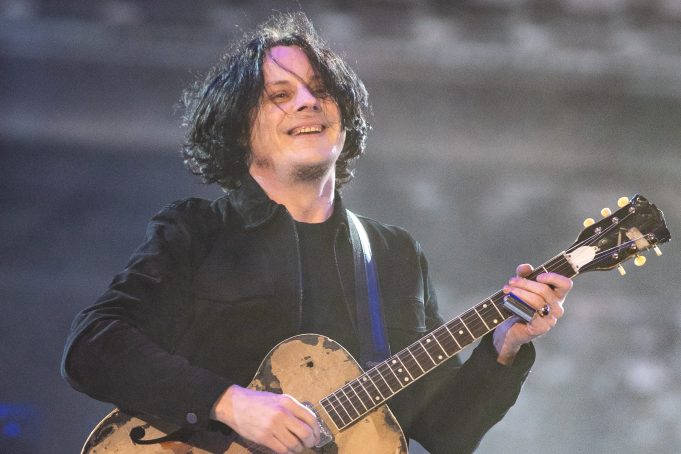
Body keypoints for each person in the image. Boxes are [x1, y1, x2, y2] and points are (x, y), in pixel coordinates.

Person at [61, 12, 573, 454]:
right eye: (280, 95)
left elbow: (445, 431)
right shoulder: (196, 230)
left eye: (321, 90)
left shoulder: (392, 255)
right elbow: (92, 347)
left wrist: (504, 346)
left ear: (344, 118)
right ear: (241, 129)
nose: (308, 103)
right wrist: (230, 403)